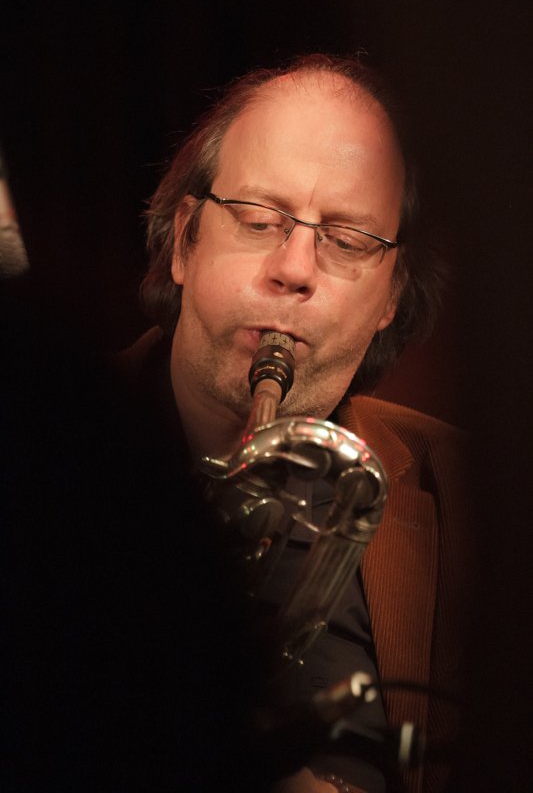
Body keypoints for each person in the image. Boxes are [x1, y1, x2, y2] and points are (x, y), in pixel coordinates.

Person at [119, 54, 472, 793]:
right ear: (184, 241)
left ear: (391, 297)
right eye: (258, 221)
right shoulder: (36, 448)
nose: (295, 267)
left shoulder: (474, 495)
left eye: (347, 241)